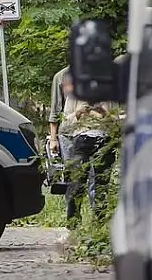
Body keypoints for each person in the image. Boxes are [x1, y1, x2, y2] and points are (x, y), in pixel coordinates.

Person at [61, 73, 117, 228]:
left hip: (104, 139)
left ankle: (99, 223)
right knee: (76, 181)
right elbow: (66, 121)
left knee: (101, 183)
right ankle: (73, 223)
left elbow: (116, 121)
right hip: (81, 137)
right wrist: (79, 113)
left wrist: (103, 113)